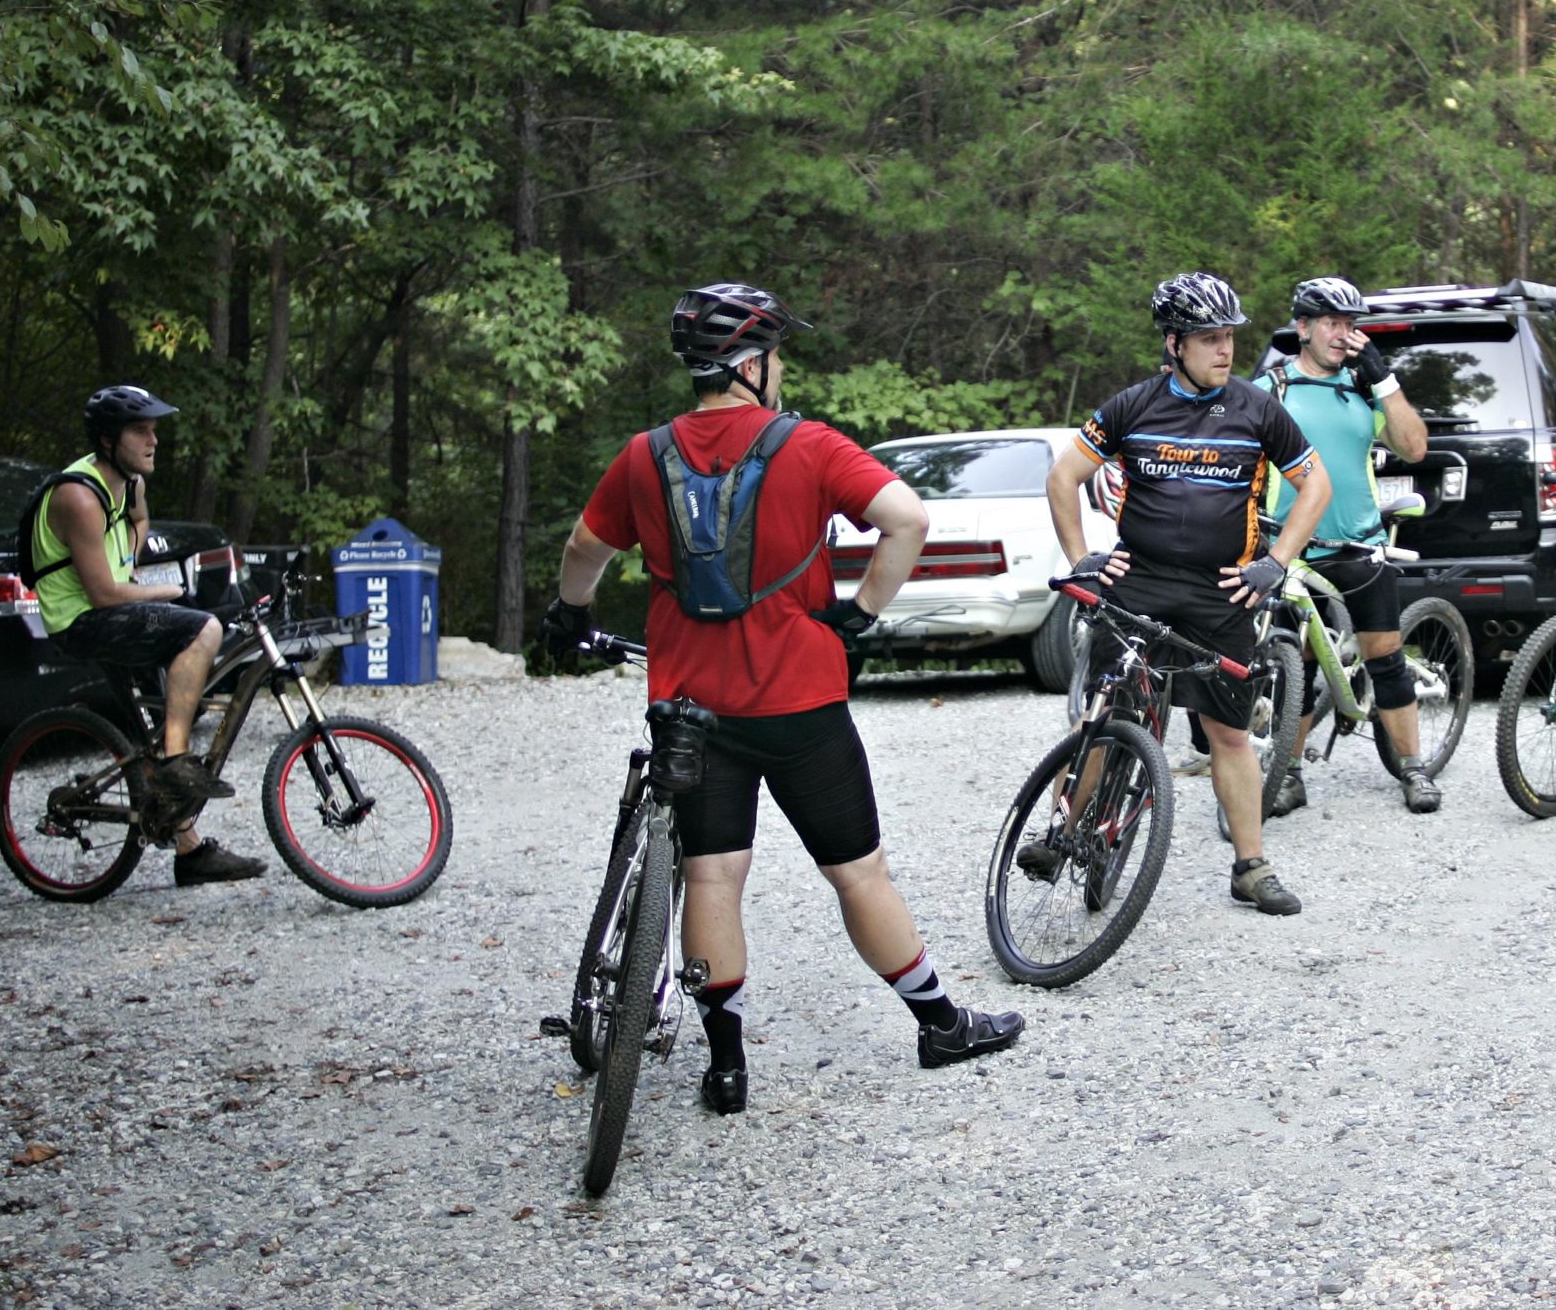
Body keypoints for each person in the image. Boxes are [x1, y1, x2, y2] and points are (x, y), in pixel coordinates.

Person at [543, 283, 1022, 1116]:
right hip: (801, 703)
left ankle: (725, 1066)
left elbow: (587, 546)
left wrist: (570, 613)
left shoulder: (643, 454)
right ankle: (938, 1022)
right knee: (857, 872)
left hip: (692, 706)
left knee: (714, 877)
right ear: (754, 364)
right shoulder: (808, 447)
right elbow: (906, 519)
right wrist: (859, 615)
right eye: (779, 355)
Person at [1044, 272, 1332, 915]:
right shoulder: (1132, 406)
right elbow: (1064, 477)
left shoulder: (1259, 409)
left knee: (1228, 733)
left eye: (1229, 337)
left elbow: (1316, 488)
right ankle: (1063, 831)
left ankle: (1251, 868)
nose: (1224, 350)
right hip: (1138, 582)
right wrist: (1079, 560)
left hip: (1222, 590)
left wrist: (1277, 563)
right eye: (1209, 339)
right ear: (1173, 343)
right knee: (1104, 710)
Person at [32, 386, 264, 886]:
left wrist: (130, 560)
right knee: (203, 627)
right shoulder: (78, 495)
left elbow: (138, 520)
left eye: (154, 430)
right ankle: (179, 760)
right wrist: (161, 589)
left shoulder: (129, 483)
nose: (154, 440)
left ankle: (190, 852)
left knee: (147, 733)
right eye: (142, 431)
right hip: (82, 621)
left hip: (111, 610)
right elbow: (100, 595)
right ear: (108, 440)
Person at [1257, 276, 1439, 815]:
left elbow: (1414, 446)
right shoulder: (1272, 389)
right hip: (1289, 547)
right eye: (1331, 323)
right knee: (1298, 661)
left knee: (1385, 659)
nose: (1342, 335)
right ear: (1304, 328)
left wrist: (1383, 379)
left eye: (1350, 325)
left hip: (1358, 544)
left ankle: (1412, 768)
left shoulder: (1362, 388)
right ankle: (1286, 774)